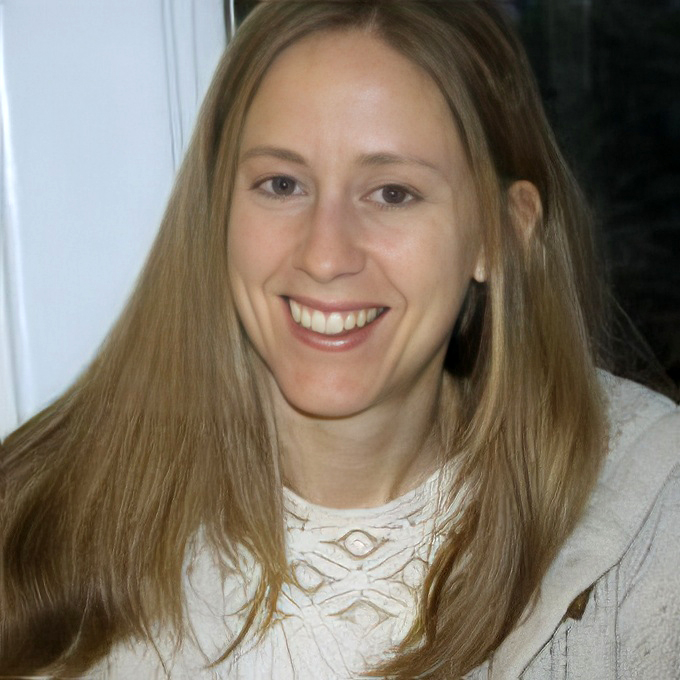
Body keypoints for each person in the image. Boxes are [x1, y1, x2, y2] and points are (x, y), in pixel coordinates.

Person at [1, 1, 678, 678]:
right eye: (282, 183)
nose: (325, 256)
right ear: (217, 212)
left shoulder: (649, 515)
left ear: (499, 235)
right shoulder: (30, 529)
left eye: (392, 193)